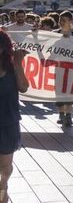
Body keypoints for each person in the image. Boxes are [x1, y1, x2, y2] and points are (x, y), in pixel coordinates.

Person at [0, 31, 28, 203]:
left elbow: (24, 87)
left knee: (5, 166)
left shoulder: (11, 67)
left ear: (3, 48)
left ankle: (3, 187)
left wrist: (18, 63)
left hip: (8, 123)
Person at [53, 11, 73, 127]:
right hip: (59, 67)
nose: (61, 23)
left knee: (71, 91)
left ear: (71, 21)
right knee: (59, 91)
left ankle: (68, 115)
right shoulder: (55, 34)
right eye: (60, 20)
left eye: (64, 20)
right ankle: (61, 114)